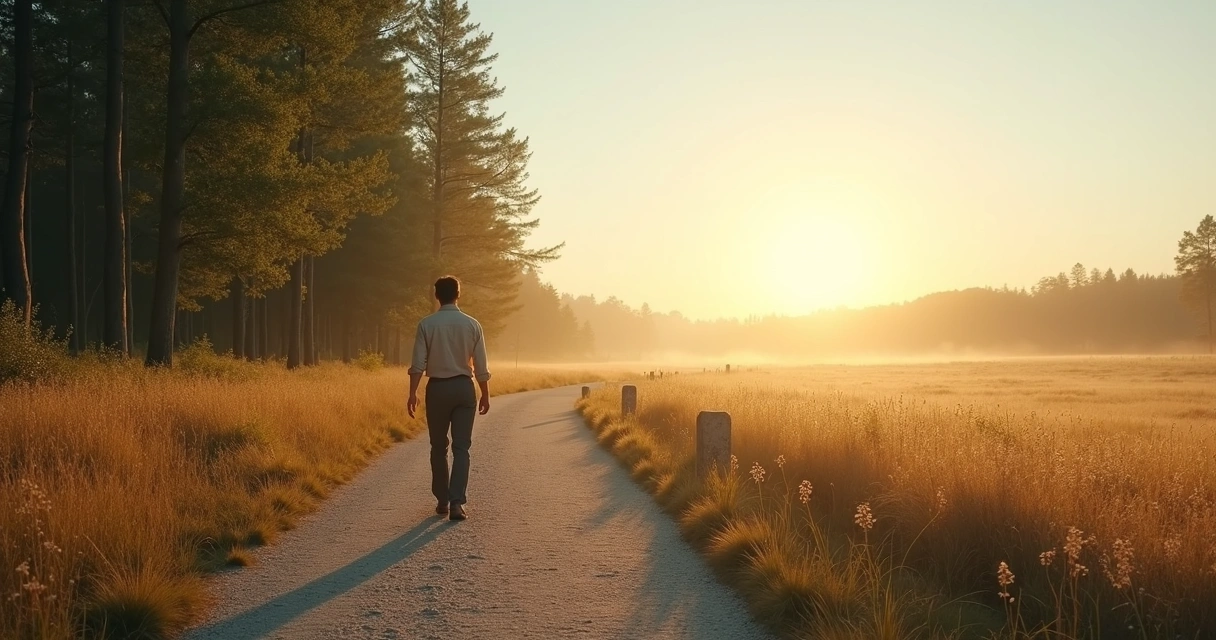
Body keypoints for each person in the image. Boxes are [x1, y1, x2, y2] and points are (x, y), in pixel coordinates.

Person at [407, 276, 491, 521]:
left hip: (438, 390)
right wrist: (484, 393)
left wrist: (412, 393)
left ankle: (442, 500)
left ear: (436, 295)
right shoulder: (473, 325)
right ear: (458, 294)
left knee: (438, 446)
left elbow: (418, 364)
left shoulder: (426, 325)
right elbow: (481, 365)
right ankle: (457, 503)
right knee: (462, 447)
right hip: (464, 388)